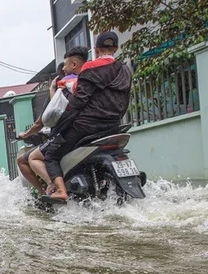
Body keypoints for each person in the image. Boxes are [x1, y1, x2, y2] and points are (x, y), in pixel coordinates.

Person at [30, 32, 132, 203]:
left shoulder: (91, 68)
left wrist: (61, 124)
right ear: (116, 48)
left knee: (52, 156)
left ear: (96, 49)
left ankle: (61, 191)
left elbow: (78, 102)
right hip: (113, 126)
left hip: (86, 127)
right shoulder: (125, 70)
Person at [17, 46, 89, 196]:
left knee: (34, 157)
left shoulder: (64, 86)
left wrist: (52, 90)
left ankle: (50, 189)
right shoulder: (90, 82)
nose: (64, 68)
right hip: (92, 130)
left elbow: (51, 115)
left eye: (65, 65)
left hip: (68, 132)